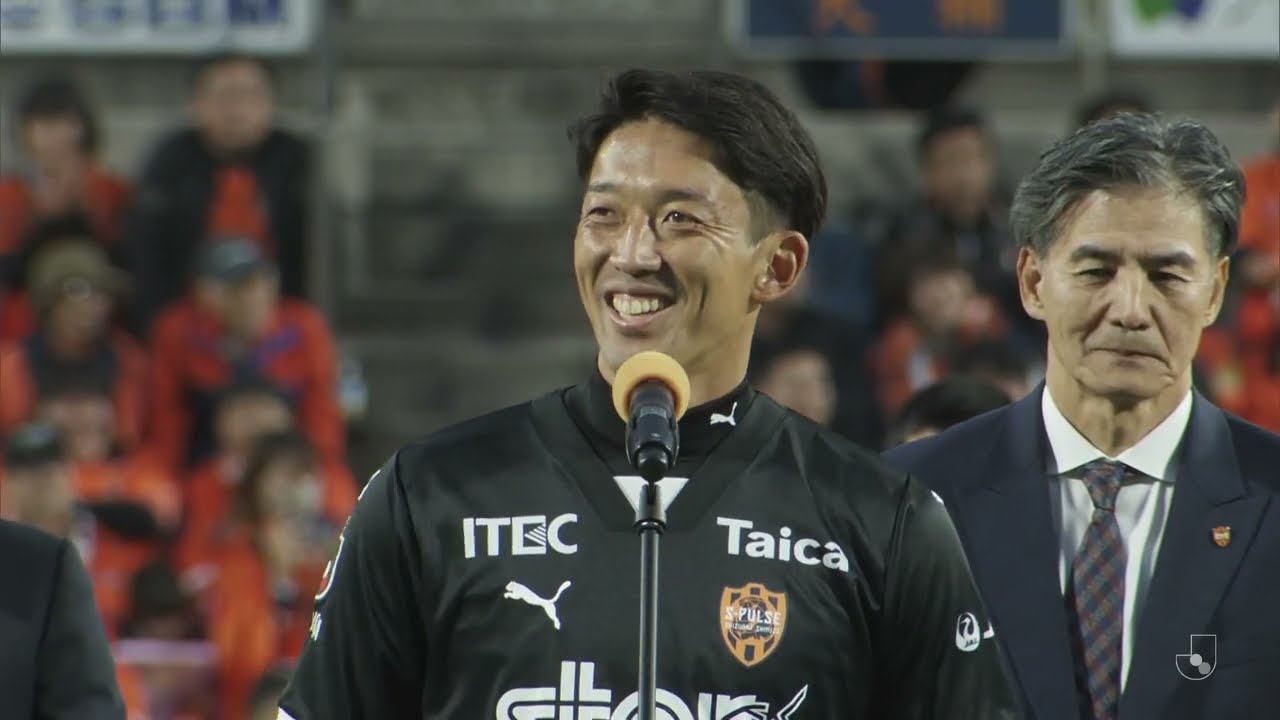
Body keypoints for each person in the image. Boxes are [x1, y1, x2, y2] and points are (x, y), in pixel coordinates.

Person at [279, 69, 1020, 719]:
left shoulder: (884, 522)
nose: (631, 254)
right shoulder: (427, 496)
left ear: (778, 267)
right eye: (604, 214)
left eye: (678, 219)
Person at [884, 113, 1280, 720]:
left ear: (1215, 291)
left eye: (1167, 275)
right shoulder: (908, 500)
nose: (1130, 310)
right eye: (1097, 272)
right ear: (1032, 281)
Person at [0, 430, 124, 718]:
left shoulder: (48, 564)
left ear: (71, 474)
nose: (39, 485)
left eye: (48, 472)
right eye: (26, 474)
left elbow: (86, 706)